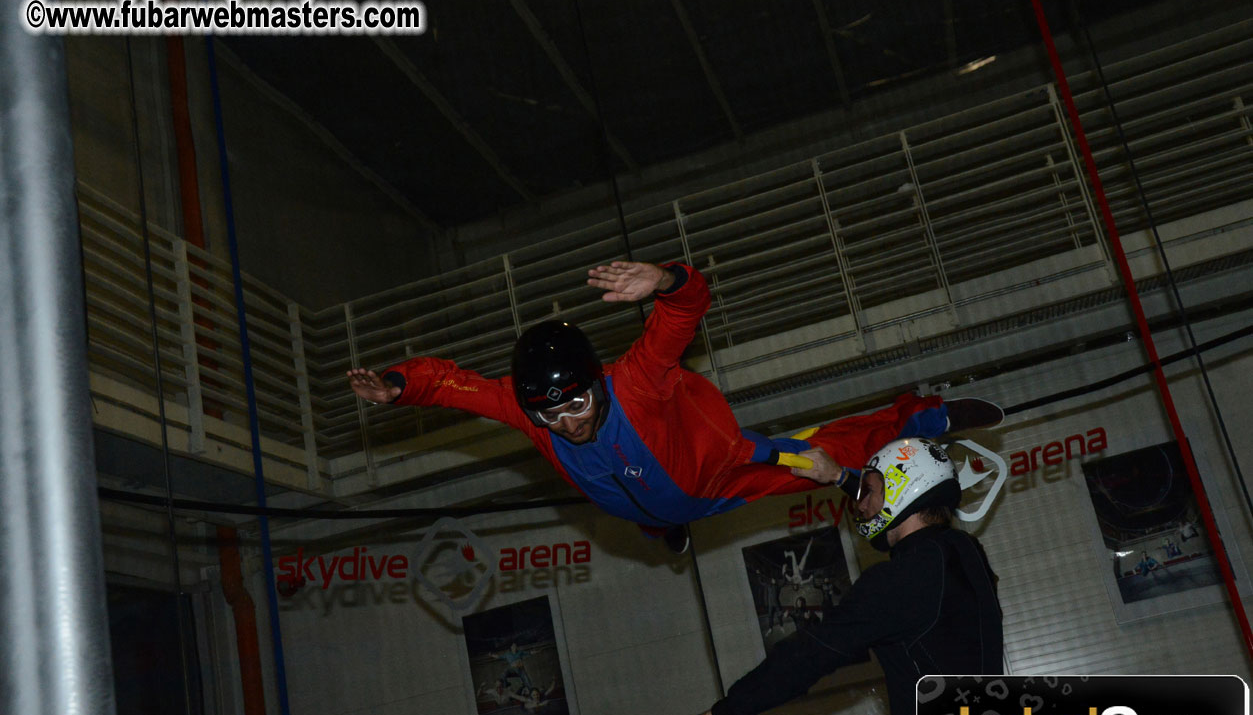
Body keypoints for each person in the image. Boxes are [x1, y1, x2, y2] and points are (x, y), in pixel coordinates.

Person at [348, 261, 1001, 552]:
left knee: (821, 455)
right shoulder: (527, 409)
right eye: (550, 416)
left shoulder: (637, 380)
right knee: (648, 516)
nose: (569, 422)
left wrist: (663, 280)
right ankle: (661, 529)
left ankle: (925, 415)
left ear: (596, 382)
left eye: (577, 403)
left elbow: (686, 309)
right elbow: (451, 384)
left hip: (720, 472)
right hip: (646, 506)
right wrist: (399, 385)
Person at [673, 437, 1033, 715]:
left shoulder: (900, 581)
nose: (860, 504)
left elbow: (808, 655)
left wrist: (724, 711)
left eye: (869, 491)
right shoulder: (965, 552)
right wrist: (839, 477)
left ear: (904, 490)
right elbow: (895, 506)